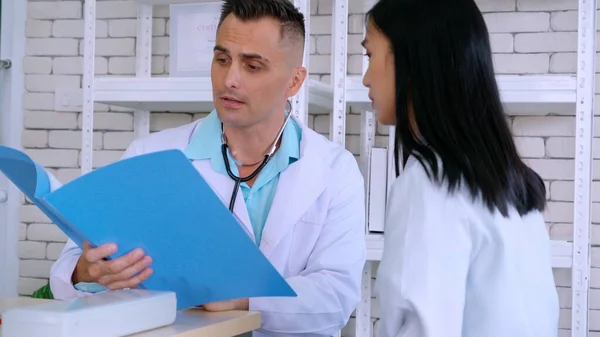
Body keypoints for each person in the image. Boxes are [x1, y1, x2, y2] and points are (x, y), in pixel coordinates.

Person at [49, 0, 366, 335]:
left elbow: (336, 297)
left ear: (294, 81)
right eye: (222, 59)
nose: (230, 80)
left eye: (252, 66)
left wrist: (244, 300)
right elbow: (68, 271)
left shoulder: (335, 170)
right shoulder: (150, 155)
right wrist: (86, 272)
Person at [361, 0, 560, 336]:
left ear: (413, 59)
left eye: (370, 56)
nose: (366, 79)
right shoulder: (510, 180)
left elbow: (423, 327)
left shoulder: (429, 183)